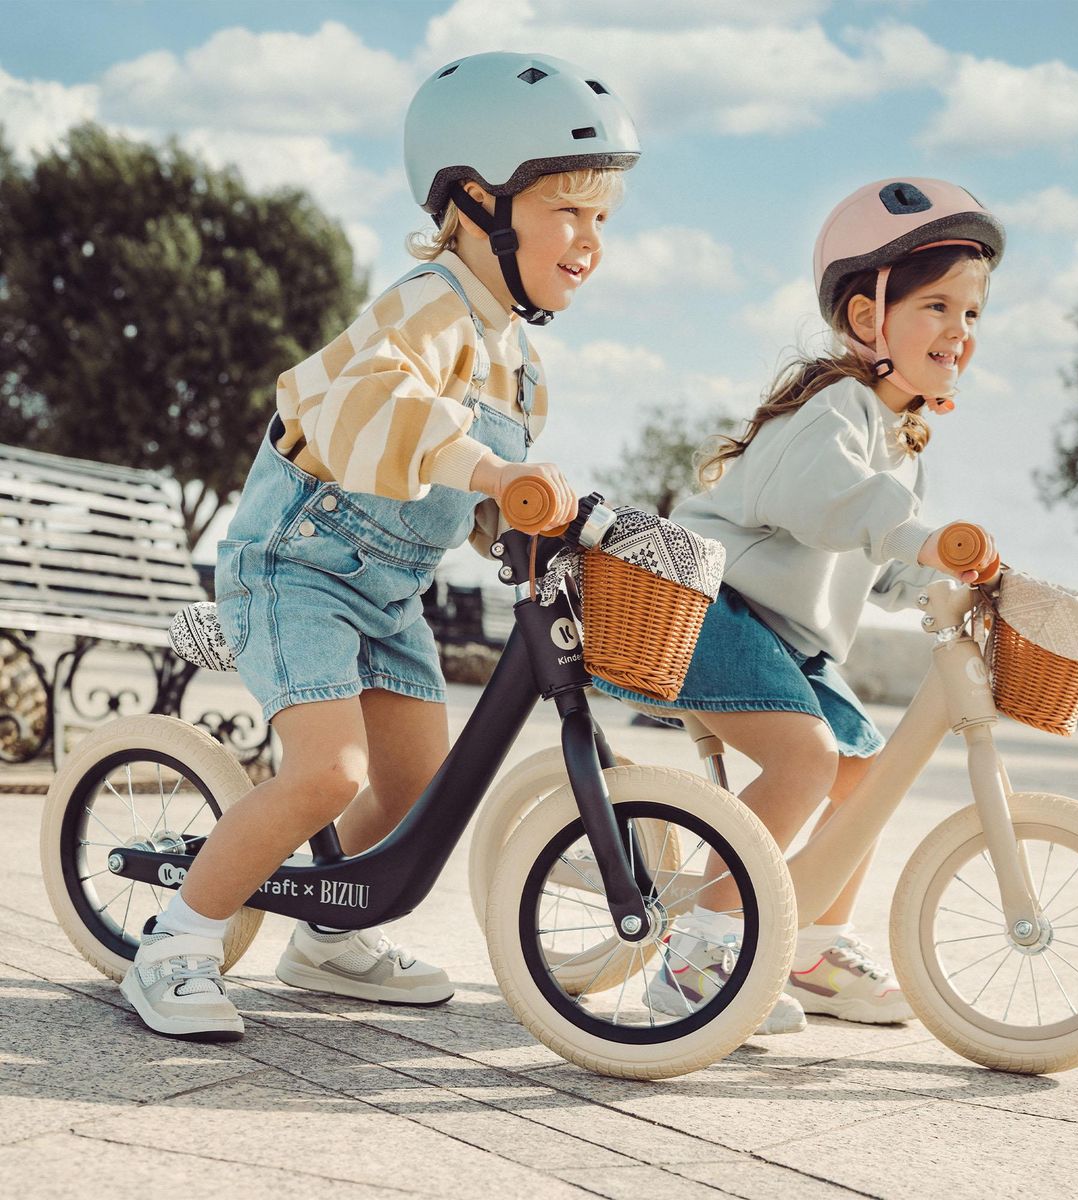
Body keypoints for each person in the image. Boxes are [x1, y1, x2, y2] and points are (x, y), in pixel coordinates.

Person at [120, 51, 639, 1041]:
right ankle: (177, 942)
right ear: (481, 200)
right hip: (297, 569)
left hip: (391, 593)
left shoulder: (523, 367)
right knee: (329, 774)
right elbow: (372, 401)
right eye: (571, 211)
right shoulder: (427, 304)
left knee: (413, 786)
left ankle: (324, 933)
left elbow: (486, 494)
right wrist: (488, 475)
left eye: (603, 219)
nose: (591, 240)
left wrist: (531, 517)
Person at [594, 178, 1003, 1031]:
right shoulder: (831, 412)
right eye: (937, 306)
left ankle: (814, 942)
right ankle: (698, 957)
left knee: (866, 776)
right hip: (711, 608)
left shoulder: (901, 442)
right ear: (867, 319)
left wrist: (945, 584)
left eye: (972, 313)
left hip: (791, 638)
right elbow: (834, 504)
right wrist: (921, 535)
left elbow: (878, 562)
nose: (960, 332)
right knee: (808, 764)